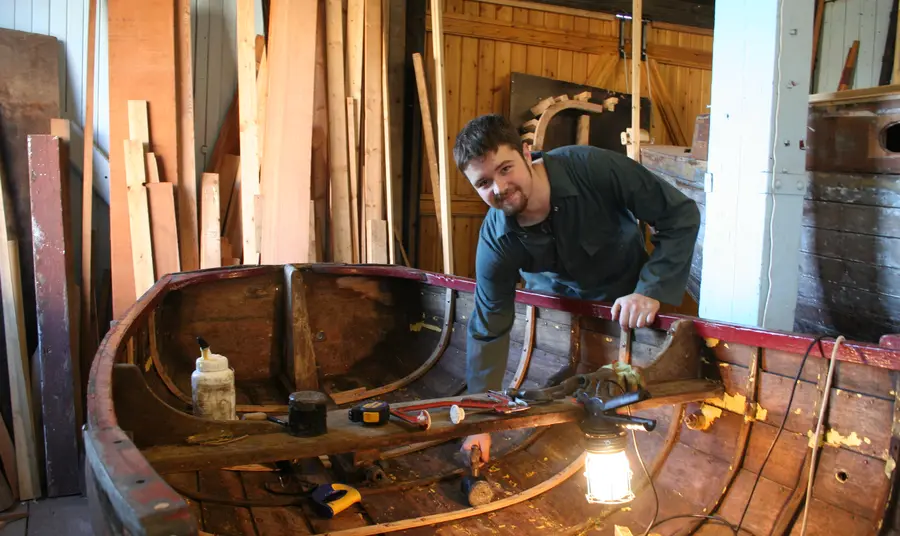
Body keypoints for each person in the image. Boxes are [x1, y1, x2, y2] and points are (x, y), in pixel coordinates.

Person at [453, 114, 700, 463]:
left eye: (505, 168)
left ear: (527, 153)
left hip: (633, 306)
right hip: (561, 319)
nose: (499, 188)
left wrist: (652, 289)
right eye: (483, 183)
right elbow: (489, 327)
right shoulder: (496, 240)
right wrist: (478, 421)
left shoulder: (592, 168)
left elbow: (679, 215)